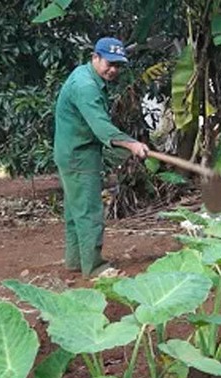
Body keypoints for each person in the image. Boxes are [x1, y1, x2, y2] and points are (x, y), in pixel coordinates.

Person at [54, 37, 149, 277]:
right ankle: (94, 268)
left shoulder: (84, 75)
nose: (113, 70)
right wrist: (132, 144)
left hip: (72, 152)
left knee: (76, 211)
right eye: (109, 63)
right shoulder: (86, 87)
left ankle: (76, 262)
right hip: (79, 155)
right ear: (95, 57)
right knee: (88, 212)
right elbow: (101, 126)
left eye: (118, 66)